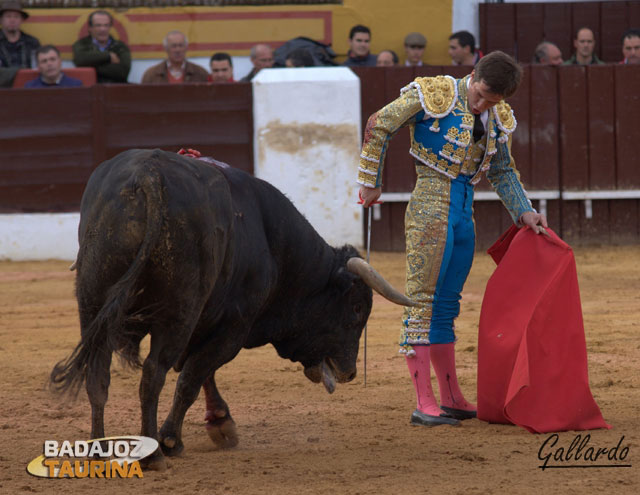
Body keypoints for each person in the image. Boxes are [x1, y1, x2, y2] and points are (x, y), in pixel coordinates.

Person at [357, 51, 547, 427]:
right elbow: (379, 123)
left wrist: (524, 211)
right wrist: (370, 181)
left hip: (464, 212)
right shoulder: (436, 93)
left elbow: (504, 170)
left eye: (492, 101)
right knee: (421, 299)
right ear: (472, 75)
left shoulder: (497, 116)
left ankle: (451, 396)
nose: (482, 105)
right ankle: (423, 400)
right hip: (430, 203)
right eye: (481, 95)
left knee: (446, 305)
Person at [72, 10, 130, 83]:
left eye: (106, 25)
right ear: (90, 28)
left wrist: (91, 66)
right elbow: (80, 60)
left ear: (110, 27)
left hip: (115, 89)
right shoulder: (81, 44)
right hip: (91, 90)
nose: (103, 29)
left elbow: (123, 72)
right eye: (98, 25)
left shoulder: (120, 46)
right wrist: (108, 56)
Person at [141, 30, 208, 84]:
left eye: (181, 45)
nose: (177, 50)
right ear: (166, 48)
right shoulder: (151, 75)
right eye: (174, 46)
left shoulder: (200, 73)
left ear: (186, 48)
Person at [0, 0, 39, 68]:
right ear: (1, 19)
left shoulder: (32, 43)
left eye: (16, 16)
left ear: (22, 20)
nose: (12, 20)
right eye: (8, 16)